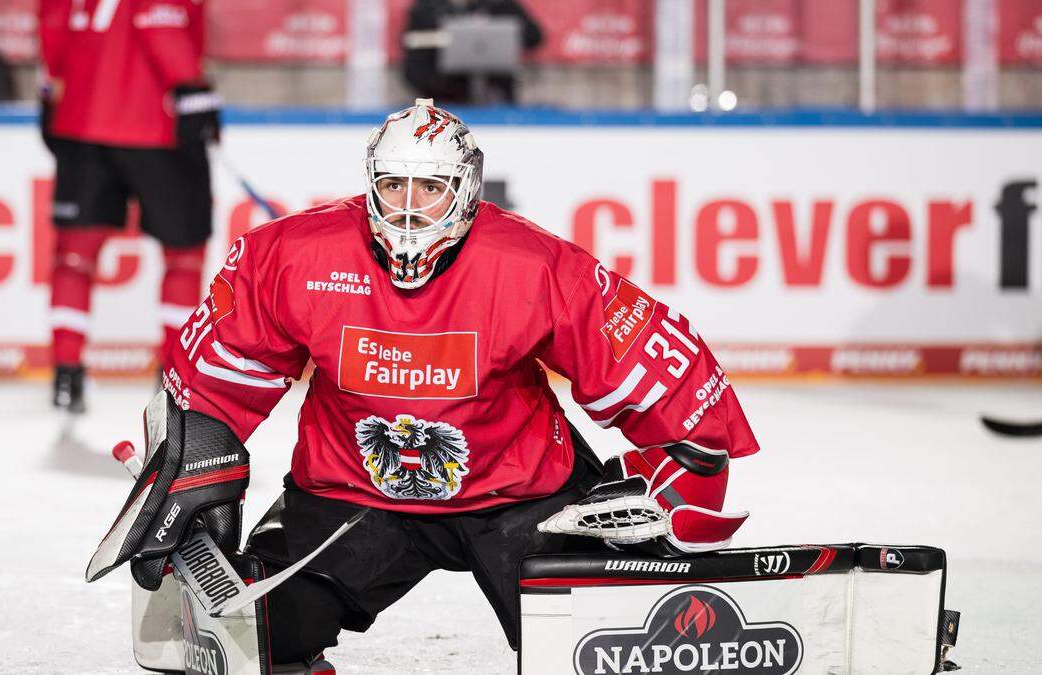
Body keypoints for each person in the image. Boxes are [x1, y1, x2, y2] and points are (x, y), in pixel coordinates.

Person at [86, 99, 759, 670]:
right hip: (353, 495)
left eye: (430, 188)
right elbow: (216, 377)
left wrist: (687, 466)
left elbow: (651, 360)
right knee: (244, 644)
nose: (408, 208)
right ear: (370, 183)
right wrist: (189, 460)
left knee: (614, 650)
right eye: (394, 186)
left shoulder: (531, 264)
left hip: (520, 496)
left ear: (465, 188)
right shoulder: (293, 255)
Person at [37, 0, 221, 412]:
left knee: (73, 257)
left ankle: (66, 375)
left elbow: (52, 28)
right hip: (154, 125)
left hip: (80, 123)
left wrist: (53, 94)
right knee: (183, 256)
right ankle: (175, 376)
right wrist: (190, 85)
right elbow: (160, 19)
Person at [402, 0, 543, 104]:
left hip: (495, 92)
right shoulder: (427, 8)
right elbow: (412, 46)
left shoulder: (500, 5)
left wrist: (500, 32)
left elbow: (534, 37)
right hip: (441, 94)